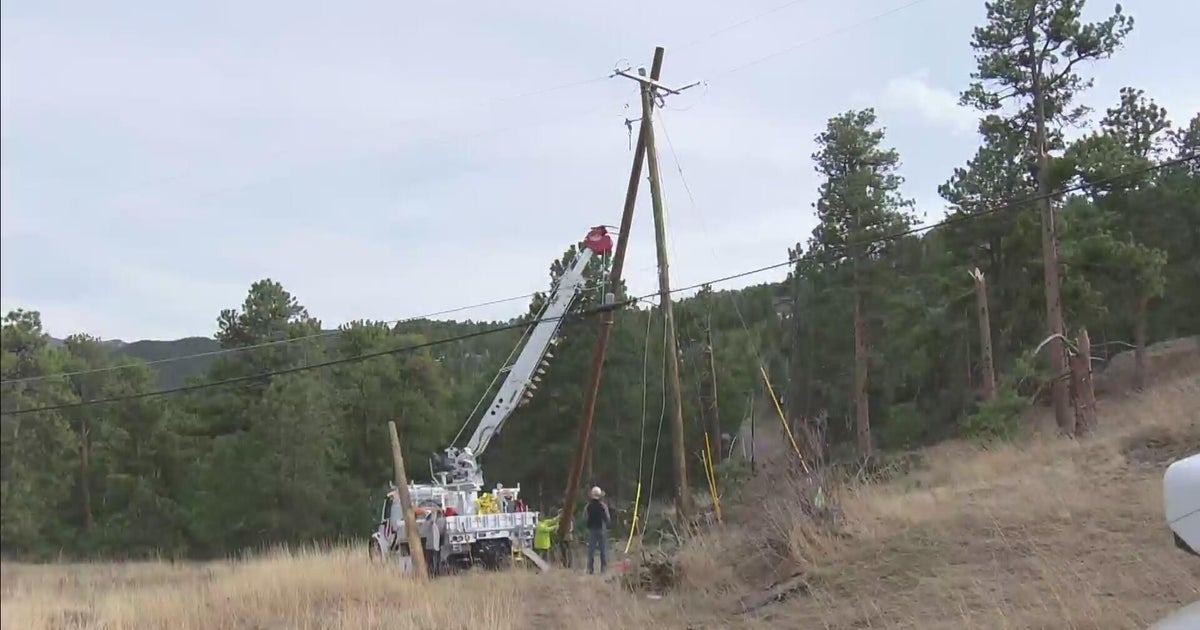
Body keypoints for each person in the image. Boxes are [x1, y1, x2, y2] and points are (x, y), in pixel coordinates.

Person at [586, 486, 610, 574]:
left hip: (592, 529)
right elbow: (607, 518)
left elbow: (585, 517)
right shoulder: (603, 506)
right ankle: (603, 568)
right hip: (601, 528)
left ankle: (590, 568)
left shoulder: (588, 506)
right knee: (603, 549)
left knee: (591, 550)